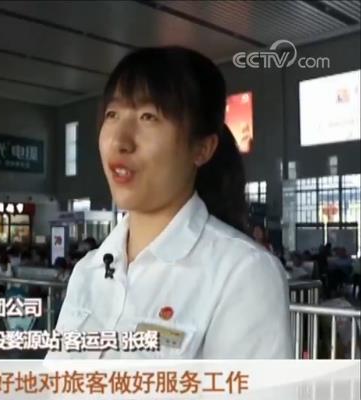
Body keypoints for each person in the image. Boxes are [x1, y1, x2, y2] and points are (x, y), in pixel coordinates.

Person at [46, 46, 292, 360]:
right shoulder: (88, 271)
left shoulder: (243, 274)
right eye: (112, 114)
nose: (120, 140)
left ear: (202, 148)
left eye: (148, 117)